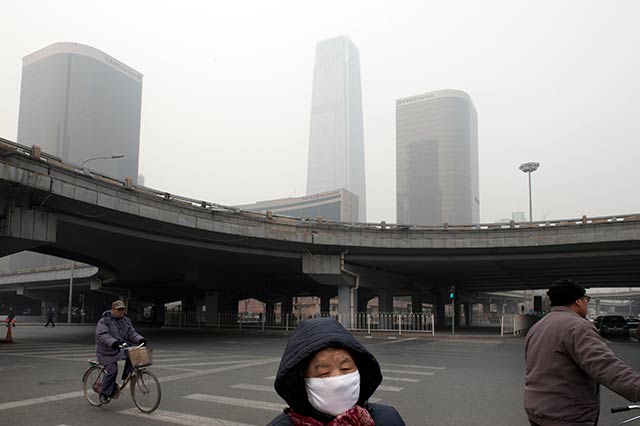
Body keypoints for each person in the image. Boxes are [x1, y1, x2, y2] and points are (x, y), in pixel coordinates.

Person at [524, 278, 640, 426]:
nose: (587, 302)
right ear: (578, 301)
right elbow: (605, 365)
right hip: (567, 416)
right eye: (586, 299)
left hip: (538, 412)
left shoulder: (537, 327)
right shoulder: (577, 326)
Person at [267, 317, 405, 425]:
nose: (338, 380)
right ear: (302, 380)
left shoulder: (387, 419)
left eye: (346, 368)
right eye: (324, 373)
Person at [95, 300, 146, 405]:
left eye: (123, 309)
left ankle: (126, 375)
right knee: (113, 371)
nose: (121, 311)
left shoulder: (126, 321)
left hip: (121, 348)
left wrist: (140, 339)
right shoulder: (104, 321)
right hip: (106, 351)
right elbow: (102, 335)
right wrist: (113, 343)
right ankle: (104, 393)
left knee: (133, 356)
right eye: (119, 309)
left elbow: (132, 333)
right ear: (113, 309)